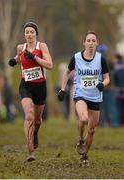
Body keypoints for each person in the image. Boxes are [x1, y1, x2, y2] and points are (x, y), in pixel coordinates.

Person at [57, 31, 110, 165]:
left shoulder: (100, 59)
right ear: (84, 43)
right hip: (80, 93)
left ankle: (84, 155)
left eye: (93, 41)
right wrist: (63, 89)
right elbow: (67, 72)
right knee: (83, 118)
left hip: (95, 96)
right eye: (88, 40)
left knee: (91, 130)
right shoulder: (76, 57)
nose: (91, 43)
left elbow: (107, 78)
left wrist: (102, 84)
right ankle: (80, 138)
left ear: (97, 43)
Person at [8, 21, 53, 161]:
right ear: (24, 34)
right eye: (27, 32)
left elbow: (50, 65)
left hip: (40, 87)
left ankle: (35, 134)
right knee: (29, 116)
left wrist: (34, 57)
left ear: (36, 34)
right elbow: (20, 57)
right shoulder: (20, 47)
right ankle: (30, 151)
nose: (29, 34)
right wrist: (14, 61)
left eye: (31, 32)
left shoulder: (42, 46)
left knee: (38, 120)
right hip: (26, 85)